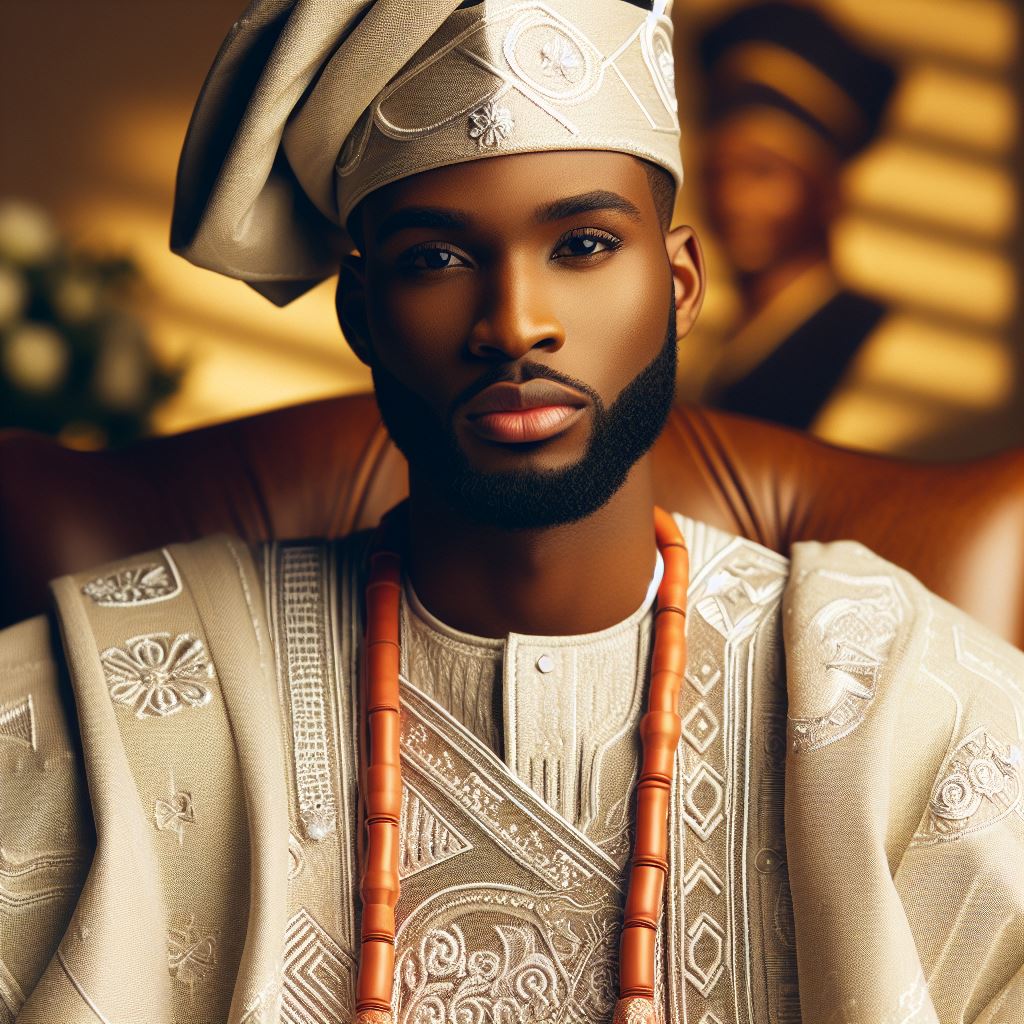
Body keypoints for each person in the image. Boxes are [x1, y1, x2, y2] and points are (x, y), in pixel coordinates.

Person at [0, 2, 1021, 1023]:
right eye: (436, 259)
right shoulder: (119, 704)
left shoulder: (904, 707)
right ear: (359, 310)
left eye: (581, 243)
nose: (515, 324)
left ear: (677, 284)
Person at [687, 1, 896, 432]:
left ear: (829, 190)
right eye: (716, 173)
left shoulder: (870, 351)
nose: (732, 198)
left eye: (763, 171)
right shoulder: (713, 353)